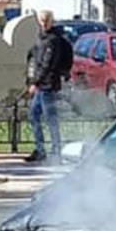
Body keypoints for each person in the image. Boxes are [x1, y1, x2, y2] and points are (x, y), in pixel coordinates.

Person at [25, 10, 72, 164]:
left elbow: (47, 64)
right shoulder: (43, 38)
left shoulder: (53, 41)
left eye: (47, 20)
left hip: (48, 85)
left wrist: (35, 83)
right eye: (42, 20)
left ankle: (55, 151)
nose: (44, 23)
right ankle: (41, 149)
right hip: (42, 86)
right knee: (33, 115)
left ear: (52, 21)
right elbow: (37, 61)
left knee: (50, 119)